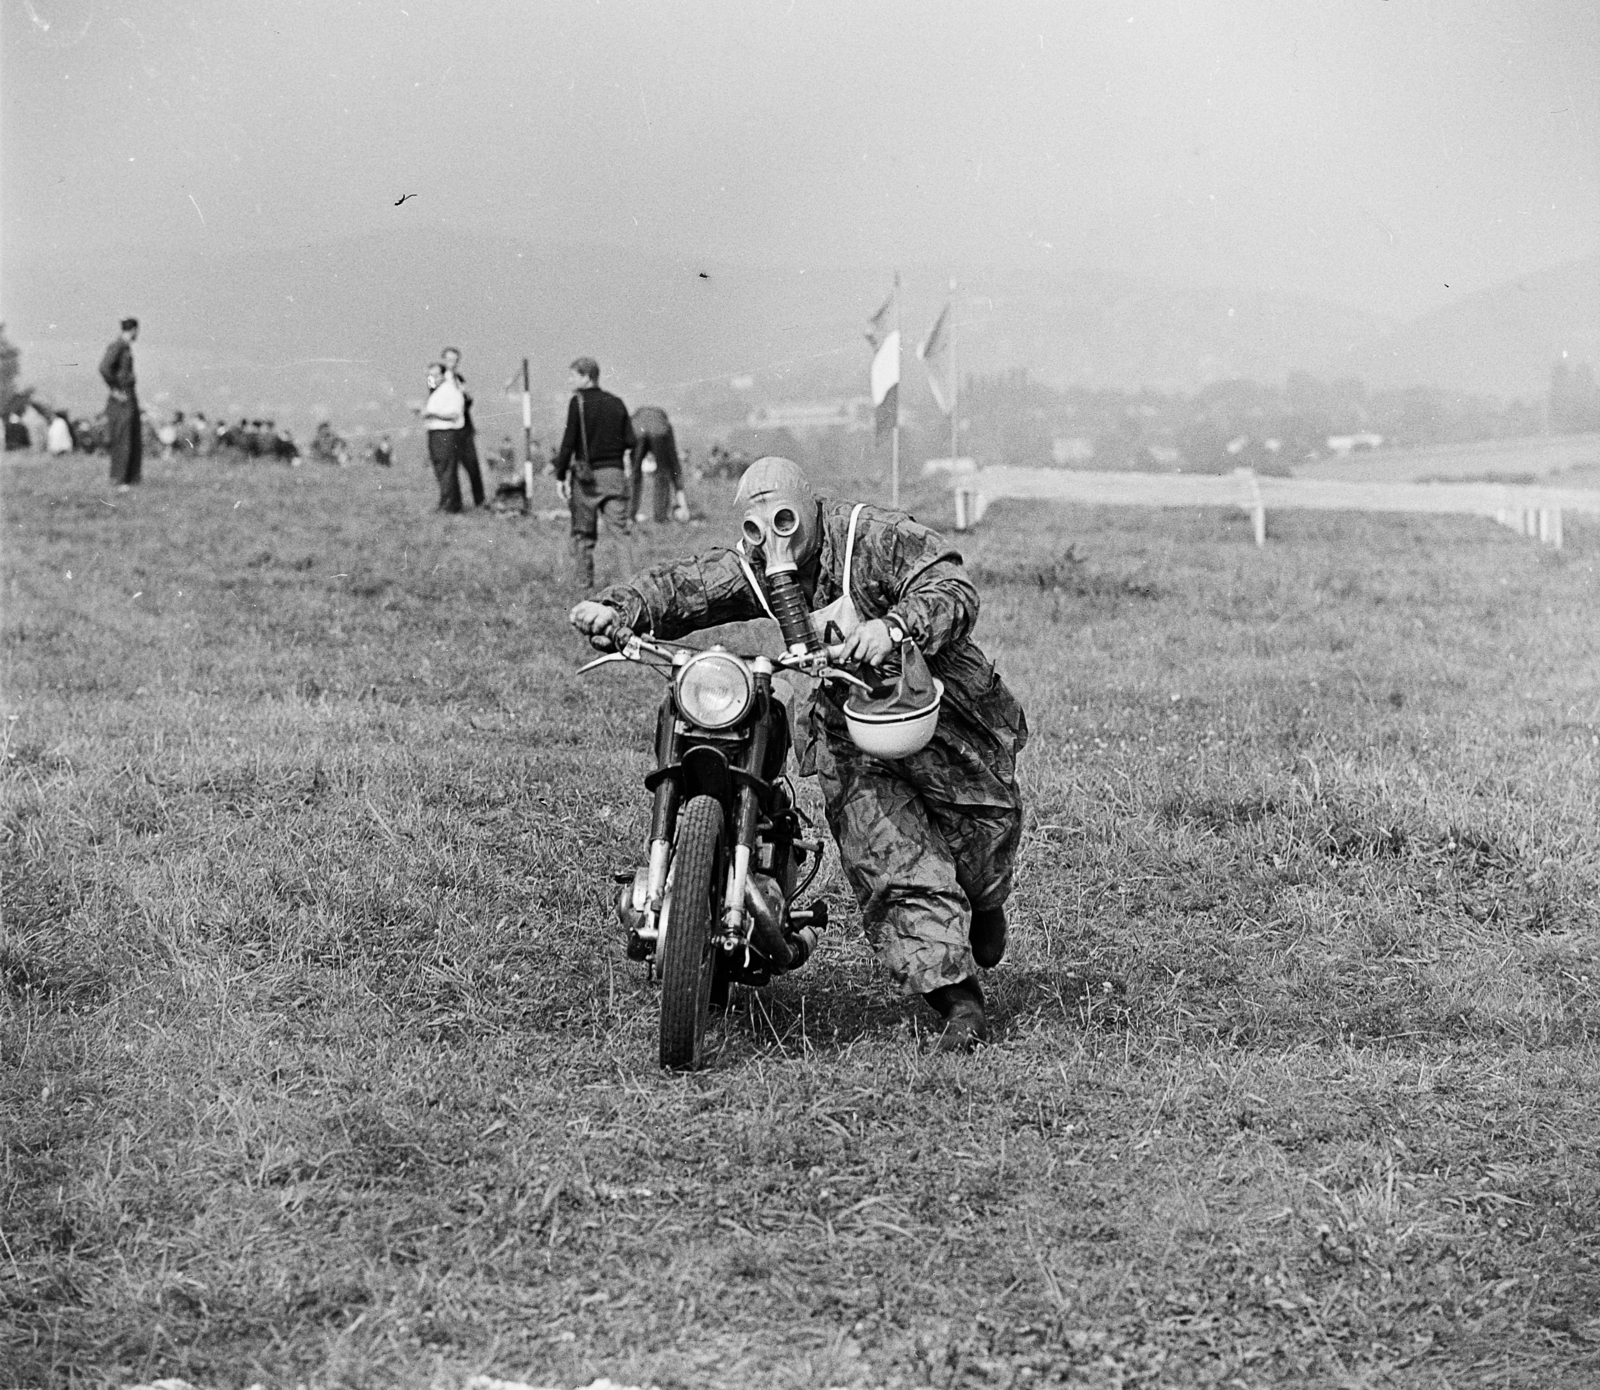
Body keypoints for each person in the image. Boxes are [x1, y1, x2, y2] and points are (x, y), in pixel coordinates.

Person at [568, 456, 1028, 1052]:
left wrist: (894, 626)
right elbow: (687, 586)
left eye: (783, 515)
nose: (773, 538)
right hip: (852, 731)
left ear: (810, 505)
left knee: (984, 834)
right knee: (890, 861)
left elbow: (949, 585)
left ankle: (985, 901)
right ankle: (958, 1003)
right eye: (756, 525)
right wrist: (618, 608)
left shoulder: (873, 535)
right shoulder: (758, 566)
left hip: (943, 714)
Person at [553, 357, 636, 589]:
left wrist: (560, 475)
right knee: (620, 534)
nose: (570, 380)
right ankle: (631, 585)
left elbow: (568, 443)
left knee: (584, 534)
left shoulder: (577, 402)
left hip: (587, 479)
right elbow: (631, 440)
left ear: (586, 376)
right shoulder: (617, 402)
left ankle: (584, 585)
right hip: (615, 475)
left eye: (573, 375)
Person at [99, 317, 141, 489]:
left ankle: (130, 478)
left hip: (128, 395)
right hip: (122, 396)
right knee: (123, 438)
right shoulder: (118, 346)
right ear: (134, 330)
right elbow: (104, 368)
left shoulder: (124, 348)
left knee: (131, 436)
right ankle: (120, 478)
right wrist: (115, 390)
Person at [629, 404, 689, 523]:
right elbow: (674, 464)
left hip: (636, 429)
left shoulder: (636, 419)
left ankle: (629, 515)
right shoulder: (663, 423)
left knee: (634, 472)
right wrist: (683, 505)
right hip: (659, 430)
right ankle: (660, 517)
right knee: (663, 472)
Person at [441, 347, 485, 507]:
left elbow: (467, 403)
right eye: (449, 360)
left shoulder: (460, 378)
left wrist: (465, 395)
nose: (452, 363)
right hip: (448, 429)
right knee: (450, 468)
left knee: (472, 465)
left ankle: (479, 500)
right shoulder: (436, 378)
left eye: (455, 360)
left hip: (464, 428)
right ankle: (453, 502)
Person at [423, 361, 467, 511]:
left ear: (442, 375)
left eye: (435, 375)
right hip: (436, 433)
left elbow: (455, 415)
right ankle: (449, 502)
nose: (432, 378)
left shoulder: (450, 390)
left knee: (446, 469)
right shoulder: (437, 391)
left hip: (446, 434)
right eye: (430, 375)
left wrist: (431, 413)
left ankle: (449, 505)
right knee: (441, 469)